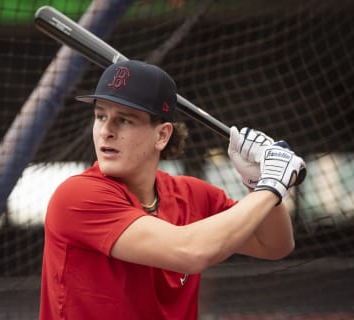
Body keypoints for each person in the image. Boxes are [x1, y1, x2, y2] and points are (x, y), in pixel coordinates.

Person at [39, 60, 305, 319]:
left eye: (125, 120)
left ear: (162, 135)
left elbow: (274, 244)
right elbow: (189, 252)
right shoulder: (77, 196)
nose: (105, 131)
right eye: (100, 116)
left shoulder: (192, 195)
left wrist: (257, 182)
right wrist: (271, 187)